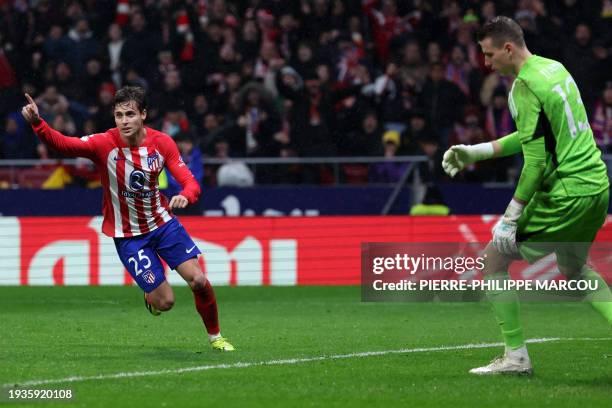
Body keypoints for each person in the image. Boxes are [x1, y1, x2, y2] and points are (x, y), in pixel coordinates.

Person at [442, 16, 612, 375]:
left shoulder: (523, 87)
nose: (486, 63)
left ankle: (516, 357)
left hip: (565, 192)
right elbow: (537, 133)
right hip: (596, 186)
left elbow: (534, 164)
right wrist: (479, 151)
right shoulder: (554, 69)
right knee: (574, 268)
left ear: (507, 48)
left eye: (489, 55)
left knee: (493, 262)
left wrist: (510, 218)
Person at [21, 86, 235, 351]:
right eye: (119, 115)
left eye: (130, 114)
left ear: (143, 114)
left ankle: (216, 338)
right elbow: (64, 144)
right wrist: (37, 123)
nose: (124, 121)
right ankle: (151, 295)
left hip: (163, 224)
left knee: (198, 280)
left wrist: (186, 196)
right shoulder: (103, 144)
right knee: (165, 302)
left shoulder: (162, 143)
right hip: (129, 237)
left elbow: (190, 181)